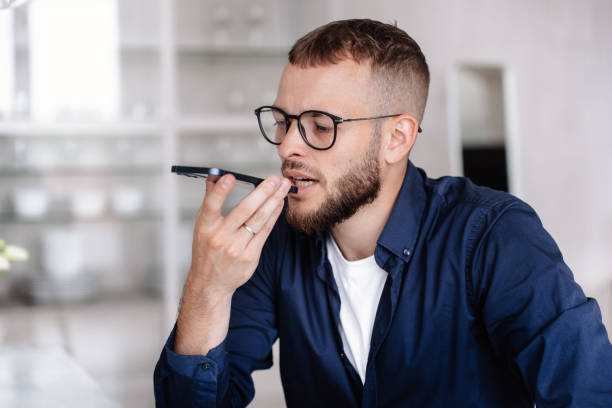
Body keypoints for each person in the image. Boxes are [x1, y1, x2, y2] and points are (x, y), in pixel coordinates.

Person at [154, 19, 612, 407]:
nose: (289, 146)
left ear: (397, 138)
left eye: (320, 125)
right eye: (283, 122)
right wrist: (206, 288)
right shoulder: (276, 242)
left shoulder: (495, 235)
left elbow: (588, 394)